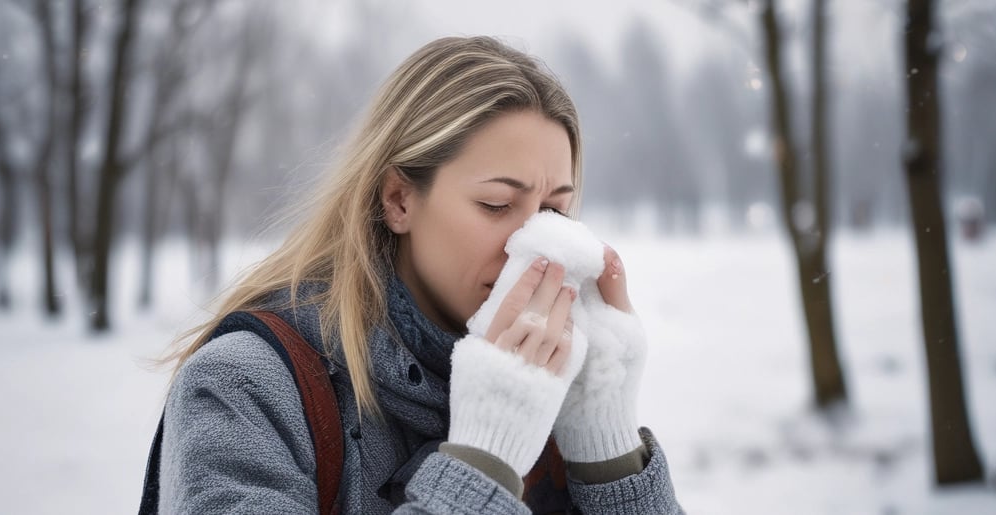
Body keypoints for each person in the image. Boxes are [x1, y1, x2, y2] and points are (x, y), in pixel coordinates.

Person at [152, 35, 683, 514]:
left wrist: (605, 445)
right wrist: (484, 460)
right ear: (399, 200)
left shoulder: (552, 383)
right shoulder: (244, 388)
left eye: (555, 213)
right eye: (497, 204)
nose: (535, 244)